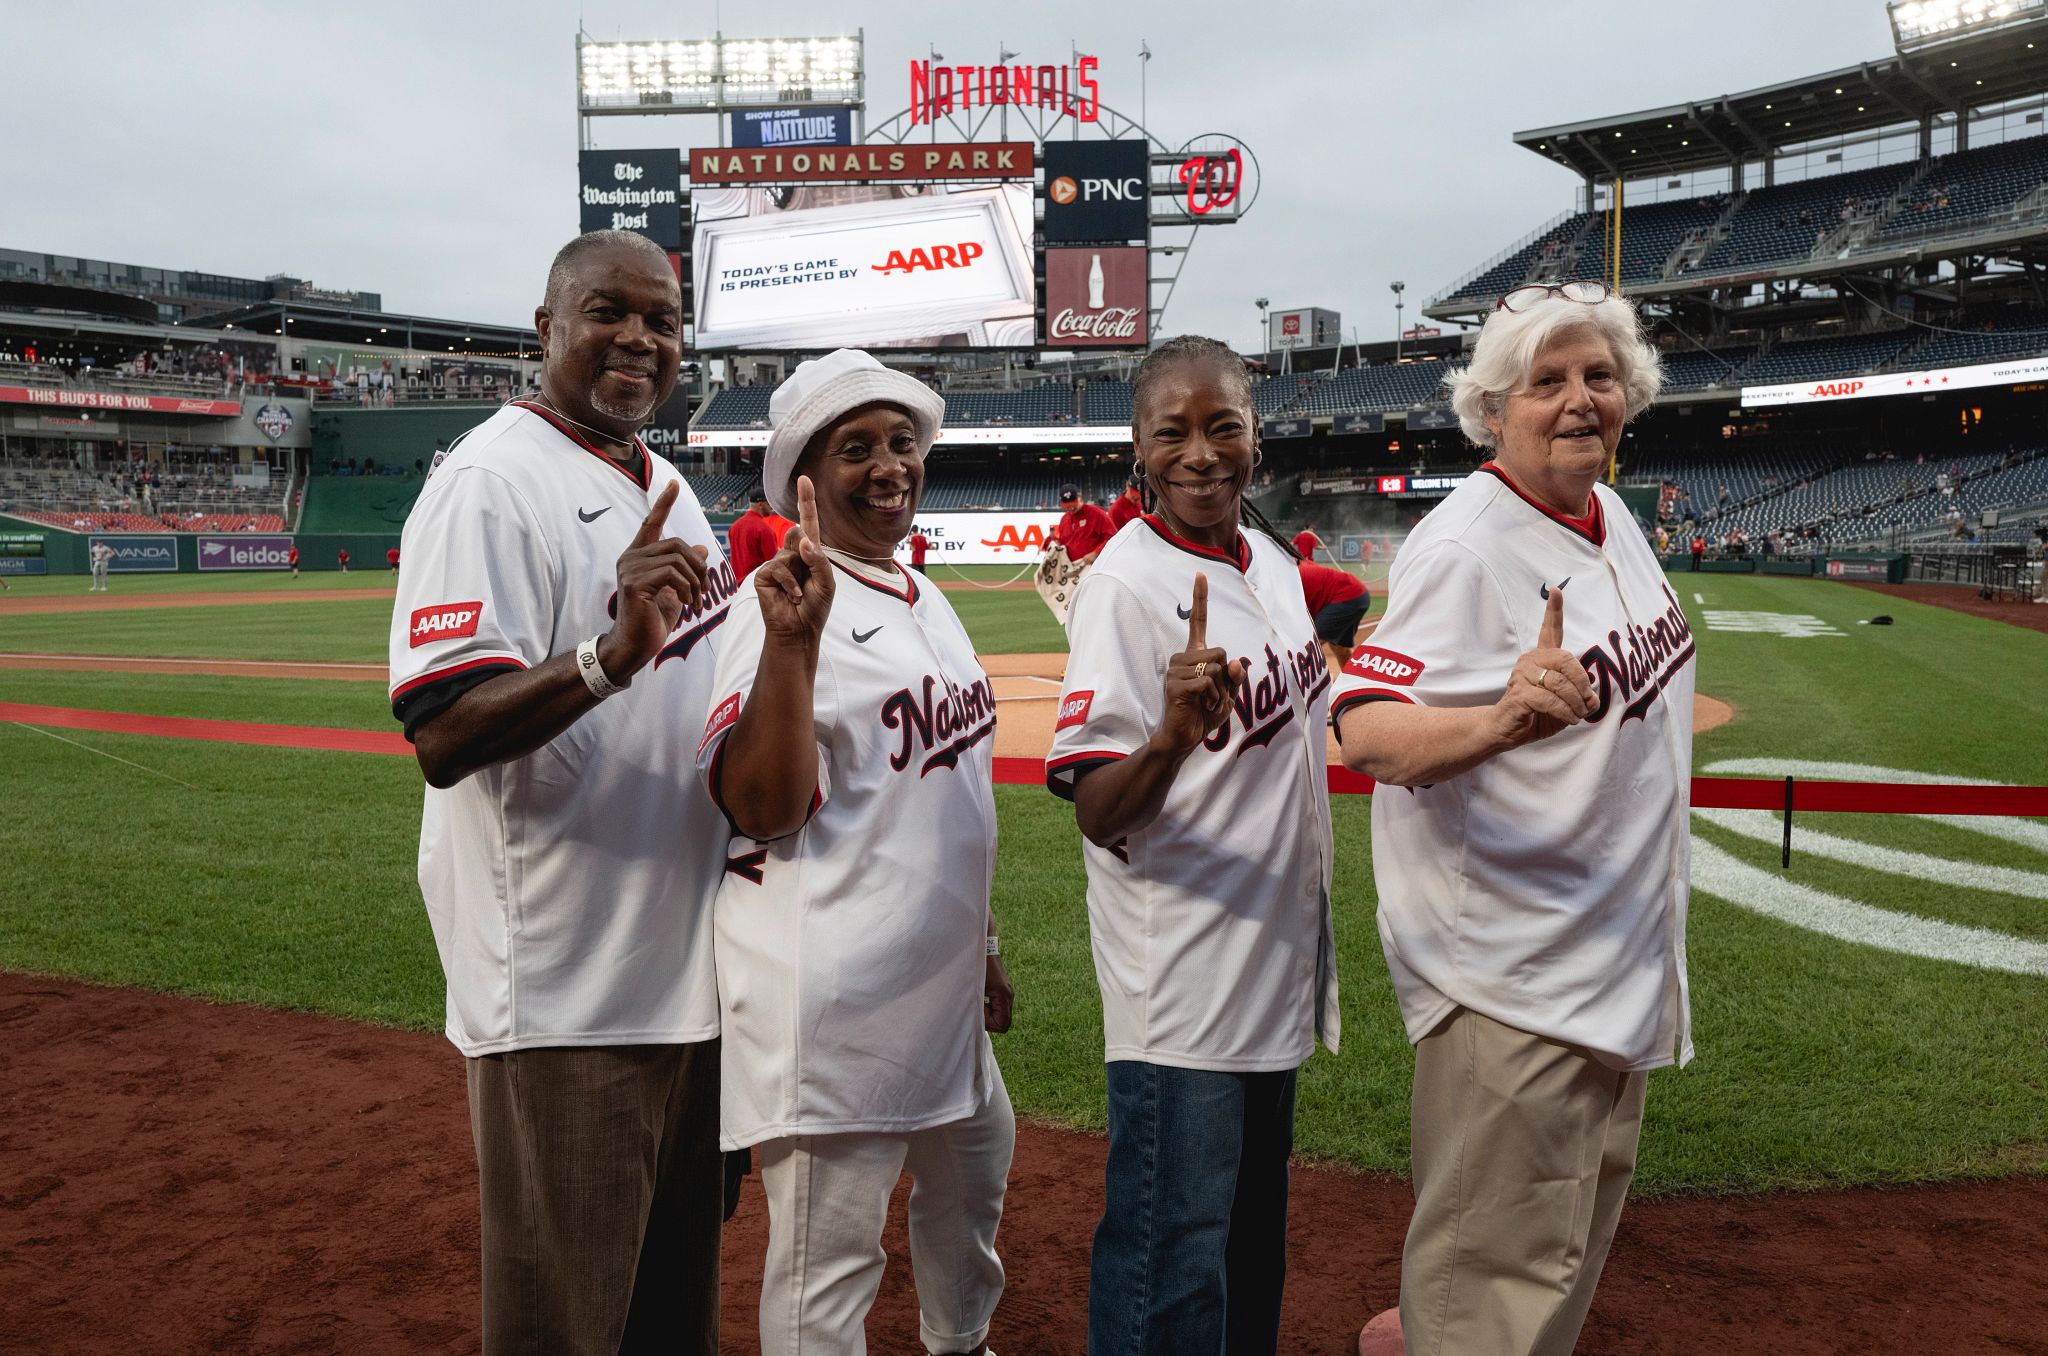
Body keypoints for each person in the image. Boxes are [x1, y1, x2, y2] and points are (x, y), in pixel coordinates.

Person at [387, 229, 738, 1355]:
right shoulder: (492, 480)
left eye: (662, 320)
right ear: (546, 329)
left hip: (689, 982)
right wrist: (604, 657)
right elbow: (442, 732)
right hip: (567, 993)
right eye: (607, 312)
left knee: (665, 1323)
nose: (638, 337)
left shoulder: (672, 489)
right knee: (564, 1329)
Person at [1333, 279, 1690, 1356]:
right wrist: (1495, 721)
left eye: (1597, 376)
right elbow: (1364, 729)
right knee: (1493, 1291)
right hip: (1512, 980)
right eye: (1546, 382)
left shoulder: (1605, 512)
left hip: (1605, 960)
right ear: (1493, 411)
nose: (1579, 399)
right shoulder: (1464, 546)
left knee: (1552, 1266)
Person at [697, 349, 1015, 1356]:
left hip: (935, 979)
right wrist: (792, 645)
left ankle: (958, 1345)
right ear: (803, 478)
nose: (890, 465)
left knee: (971, 1189)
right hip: (833, 993)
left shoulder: (922, 594)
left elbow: (945, 795)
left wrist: (988, 945)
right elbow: (759, 806)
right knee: (825, 1269)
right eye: (855, 448)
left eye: (901, 442)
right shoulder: (777, 609)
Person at [1046, 336, 1339, 1355]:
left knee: (1247, 1254)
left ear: (1255, 433)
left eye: (1223, 427)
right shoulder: (1125, 586)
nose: (1201, 454)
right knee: (1167, 1267)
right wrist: (1169, 737)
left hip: (1267, 966)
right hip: (1180, 984)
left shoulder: (1267, 563)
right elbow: (1095, 807)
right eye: (1172, 433)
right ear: (1138, 447)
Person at [1297, 555, 1372, 667]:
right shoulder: (1294, 566)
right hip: (1356, 592)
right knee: (1339, 647)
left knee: (1311, 645)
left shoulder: (1289, 577)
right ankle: (1349, 680)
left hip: (1347, 596)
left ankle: (1298, 683)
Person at [1051, 483, 1116, 568]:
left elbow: (1113, 536)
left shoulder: (1096, 513)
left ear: (1079, 497)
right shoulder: (1064, 519)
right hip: (1072, 570)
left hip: (1095, 567)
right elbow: (1064, 543)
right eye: (1067, 506)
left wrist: (1095, 553)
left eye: (1073, 504)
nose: (1071, 508)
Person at [727, 483, 780, 581]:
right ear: (760, 504)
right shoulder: (764, 529)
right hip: (755, 586)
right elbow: (773, 564)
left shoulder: (734, 527)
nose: (771, 507)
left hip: (737, 588)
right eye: (769, 503)